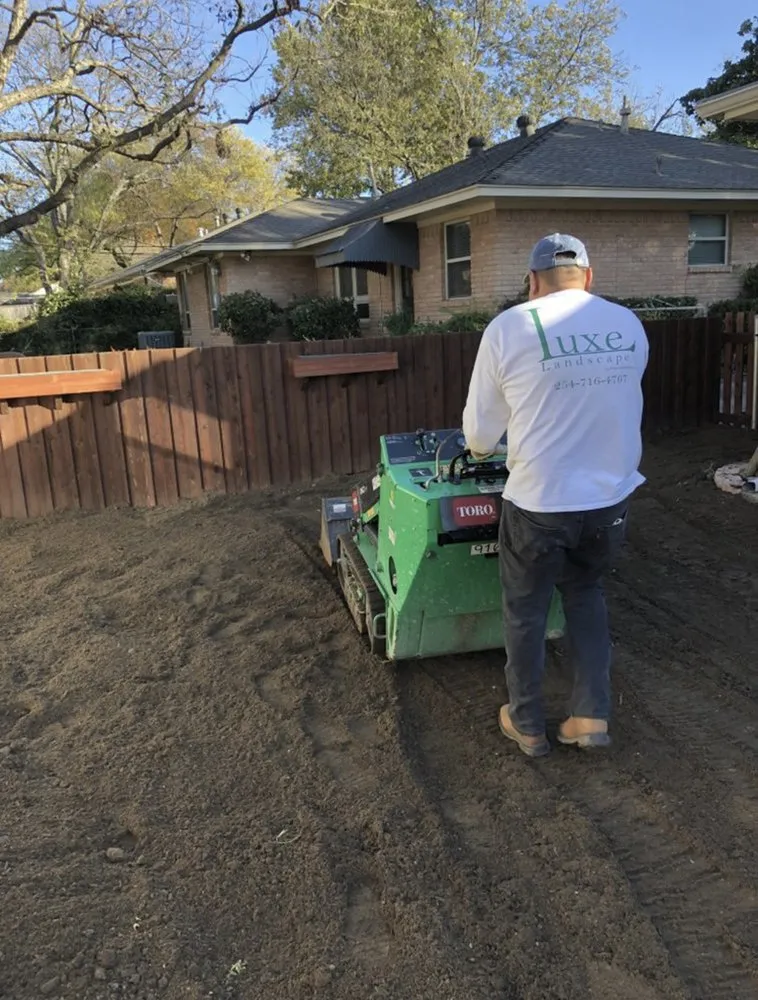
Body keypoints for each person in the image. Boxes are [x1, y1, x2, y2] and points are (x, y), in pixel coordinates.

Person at [462, 233, 648, 757]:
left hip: (540, 503)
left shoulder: (509, 327)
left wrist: (484, 447)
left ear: (532, 282)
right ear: (588, 277)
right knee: (585, 593)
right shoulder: (627, 324)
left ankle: (526, 723)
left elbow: (479, 435)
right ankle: (590, 717)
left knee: (525, 610)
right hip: (609, 501)